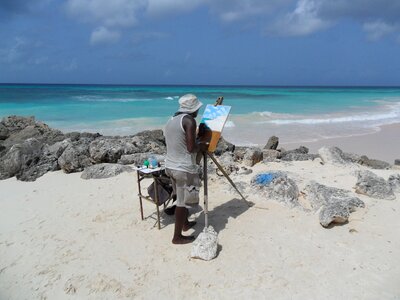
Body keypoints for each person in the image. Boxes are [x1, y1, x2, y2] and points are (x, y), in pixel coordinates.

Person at [164, 94, 207, 244]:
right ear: (193, 109)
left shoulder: (171, 120)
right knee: (182, 203)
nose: (198, 112)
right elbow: (191, 148)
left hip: (169, 165)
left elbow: (178, 142)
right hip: (182, 168)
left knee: (181, 197)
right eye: (197, 109)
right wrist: (201, 145)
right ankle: (177, 237)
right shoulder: (189, 120)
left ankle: (185, 223)